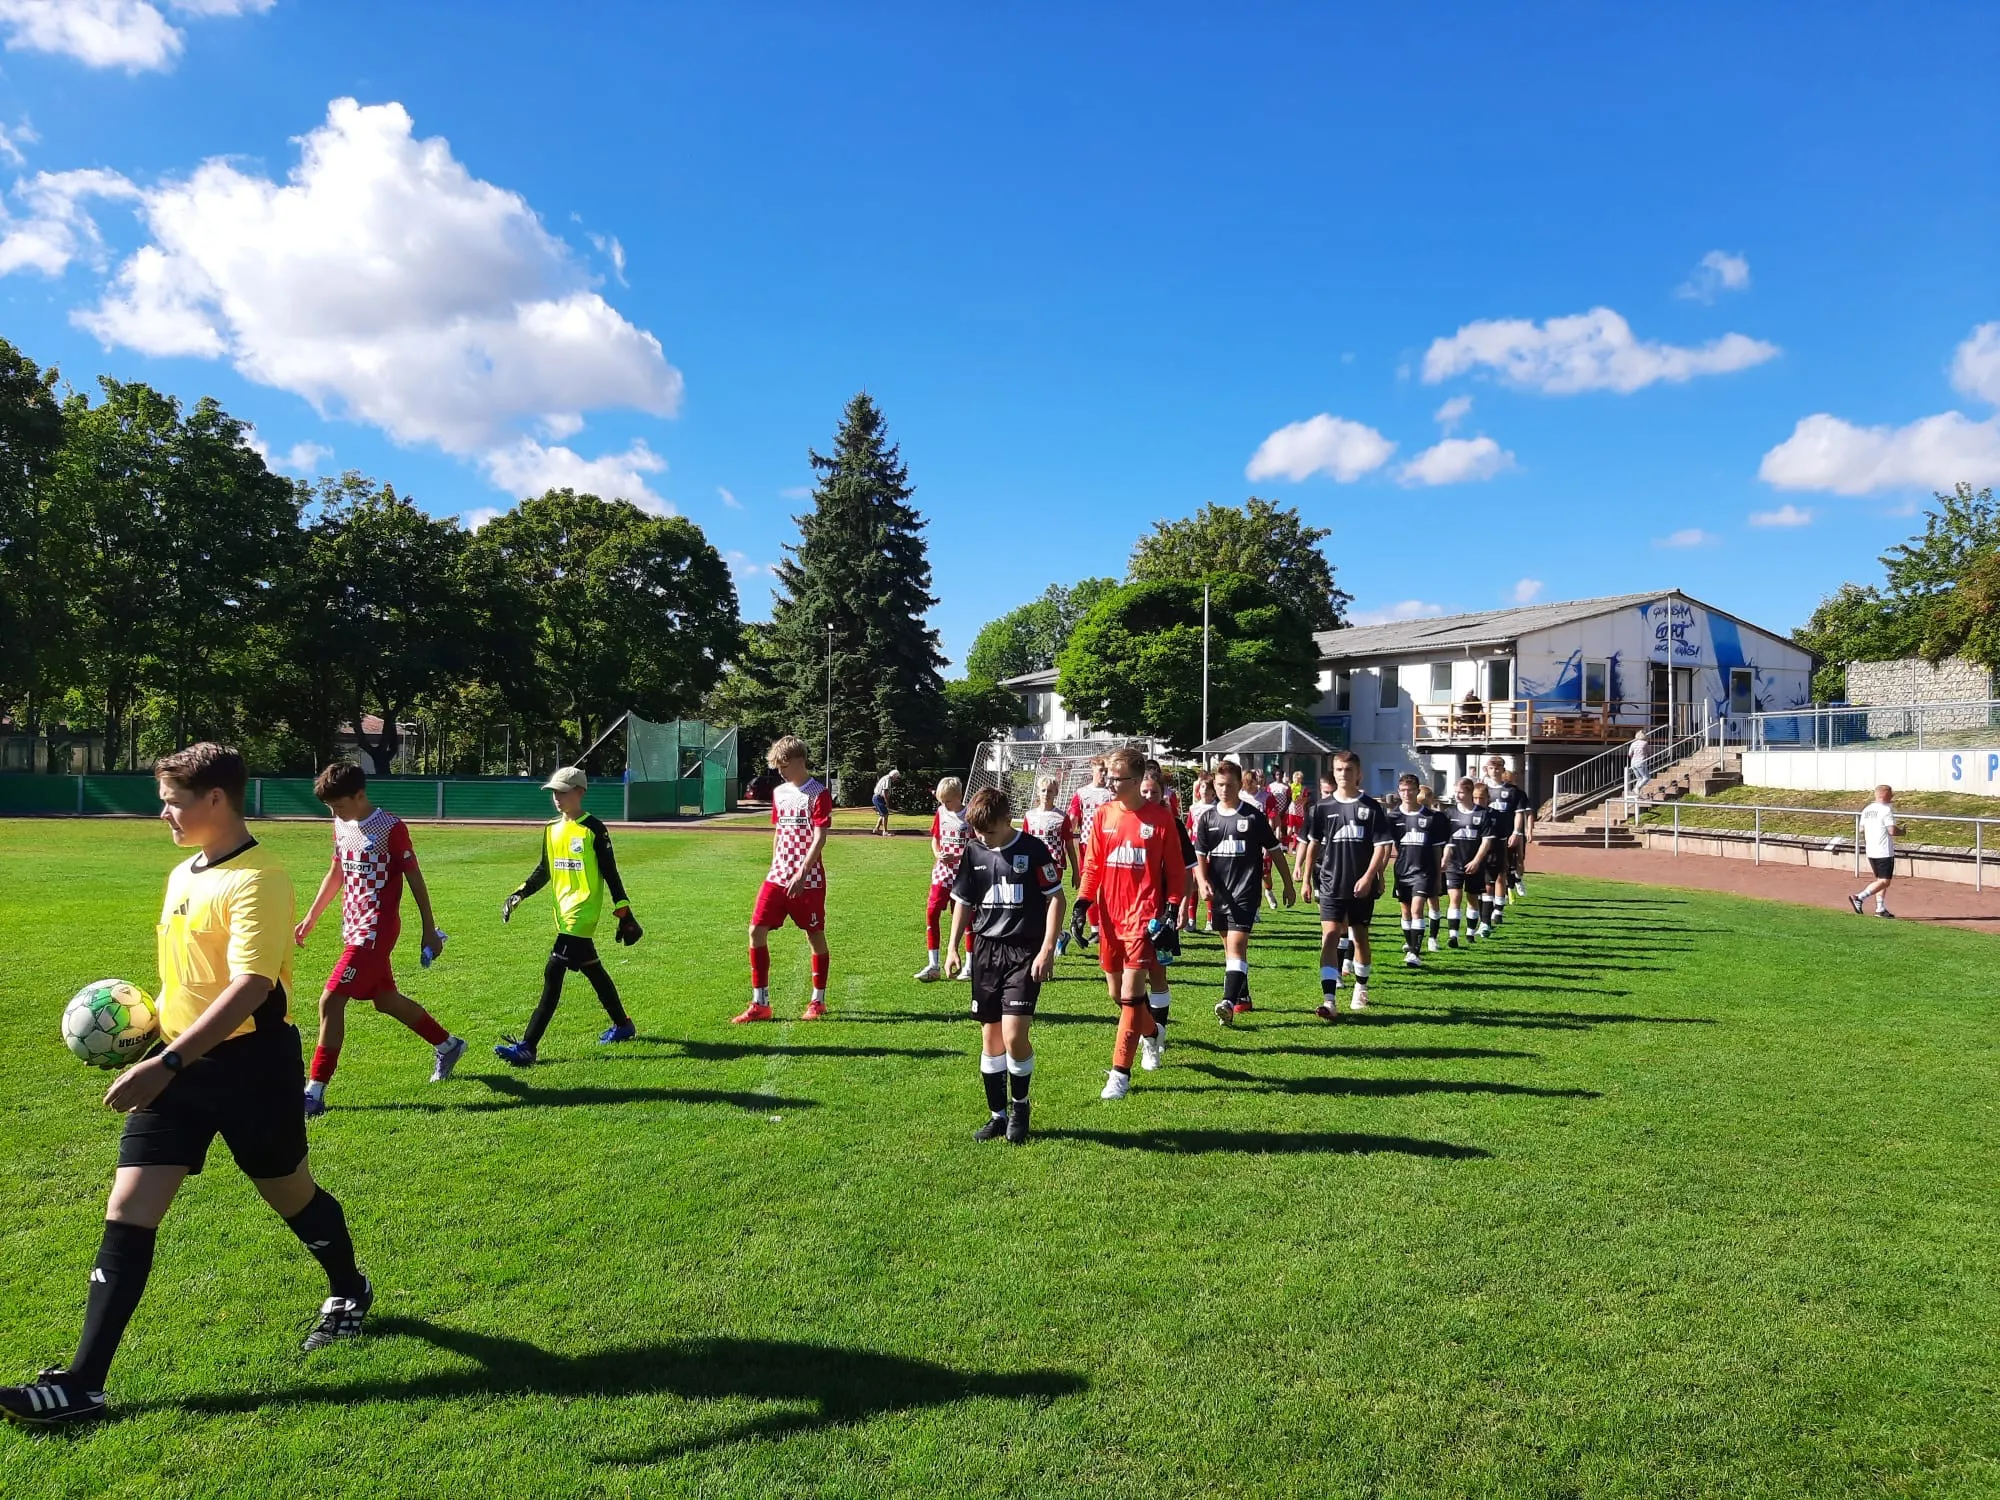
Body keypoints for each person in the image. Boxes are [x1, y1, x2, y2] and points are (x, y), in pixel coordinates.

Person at [2, 745, 373, 1428]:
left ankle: (349, 1288)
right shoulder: (184, 873)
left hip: (252, 1067)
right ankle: (83, 1383)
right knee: (129, 1206)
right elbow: (189, 981)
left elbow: (250, 988)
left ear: (216, 799)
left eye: (173, 798)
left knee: (290, 1192)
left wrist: (165, 1065)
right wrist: (156, 1043)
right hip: (178, 1064)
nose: (163, 810)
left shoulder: (260, 878)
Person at [294, 762, 465, 1116]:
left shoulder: (391, 827)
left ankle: (315, 1091)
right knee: (385, 1000)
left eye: (339, 805)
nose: (335, 813)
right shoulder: (341, 823)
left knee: (330, 1001)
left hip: (375, 929)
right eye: (331, 808)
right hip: (353, 925)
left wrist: (429, 928)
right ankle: (448, 1045)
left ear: (360, 795)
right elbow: (336, 871)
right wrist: (311, 916)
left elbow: (415, 878)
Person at [494, 768, 643, 1065]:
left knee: (553, 973)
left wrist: (623, 909)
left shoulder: (594, 829)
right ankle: (623, 1025)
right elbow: (544, 870)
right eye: (554, 792)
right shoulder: (551, 829)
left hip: (582, 913)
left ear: (580, 792)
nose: (557, 798)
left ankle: (528, 1046)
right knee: (593, 970)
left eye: (562, 791)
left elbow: (610, 873)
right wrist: (519, 893)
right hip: (562, 914)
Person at [943, 786, 1065, 1144]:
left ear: (1006, 819)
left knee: (1014, 1036)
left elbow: (1055, 898)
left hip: (1024, 953)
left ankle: (1020, 1106)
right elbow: (964, 901)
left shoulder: (1032, 849)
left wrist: (1047, 950)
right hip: (985, 952)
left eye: (989, 831)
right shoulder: (975, 850)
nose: (983, 837)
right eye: (977, 832)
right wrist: (952, 947)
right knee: (990, 1038)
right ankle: (997, 1115)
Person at [1077, 745, 1186, 1099]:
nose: (1109, 783)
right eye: (1107, 775)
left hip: (1143, 917)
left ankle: (1120, 1075)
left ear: (1137, 780)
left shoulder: (1161, 817)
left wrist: (1171, 907)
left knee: (1129, 995)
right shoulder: (1104, 815)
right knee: (1118, 994)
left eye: (1117, 778)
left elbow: (1174, 869)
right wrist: (1082, 902)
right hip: (1109, 918)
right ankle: (1152, 1033)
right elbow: (1092, 866)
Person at [735, 736, 833, 1022]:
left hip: (808, 880)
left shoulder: (818, 793)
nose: (780, 771)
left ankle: (818, 1000)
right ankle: (760, 1004)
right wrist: (775, 864)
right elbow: (779, 831)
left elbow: (820, 836)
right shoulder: (779, 793)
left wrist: (802, 872)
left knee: (814, 935)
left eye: (784, 766)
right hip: (777, 876)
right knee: (755, 931)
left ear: (800, 761)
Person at [1196, 757, 1297, 1026]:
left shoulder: (1253, 816)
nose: (1223, 790)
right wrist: (1202, 882)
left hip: (1246, 892)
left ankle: (1227, 1002)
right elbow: (1200, 856)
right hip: (1220, 894)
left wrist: (1287, 884)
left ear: (1240, 785)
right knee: (1229, 948)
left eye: (1229, 785)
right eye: (1219, 785)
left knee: (1237, 947)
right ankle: (1243, 996)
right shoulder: (1208, 818)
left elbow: (1275, 851)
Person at [1300, 751, 1393, 1018]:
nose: (1343, 774)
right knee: (1329, 936)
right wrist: (1307, 879)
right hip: (1330, 883)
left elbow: (1380, 848)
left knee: (1360, 938)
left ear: (1358, 774)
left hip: (1360, 886)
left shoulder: (1371, 808)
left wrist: (1368, 877)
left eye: (1348, 770)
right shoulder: (1322, 808)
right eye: (1339, 770)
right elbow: (1313, 845)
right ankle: (1329, 1000)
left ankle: (1361, 988)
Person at [1139, 763, 1197, 1051]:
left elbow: (1187, 869)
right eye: (1145, 791)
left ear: (1163, 794)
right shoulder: (1129, 819)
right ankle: (1146, 1024)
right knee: (1131, 977)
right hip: (1133, 907)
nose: (1149, 796)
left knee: (1157, 972)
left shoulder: (1173, 824)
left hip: (1163, 908)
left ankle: (1157, 1033)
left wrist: (1183, 905)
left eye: (1154, 791)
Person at [1387, 773, 1451, 968]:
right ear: (1399, 792)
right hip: (1402, 871)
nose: (1407, 793)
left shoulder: (1433, 817)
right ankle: (1410, 942)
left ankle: (1415, 952)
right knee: (1405, 911)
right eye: (1403, 790)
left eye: (1411, 790)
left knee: (1417, 910)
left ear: (1417, 791)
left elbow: (1437, 847)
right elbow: (1385, 847)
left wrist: (1439, 874)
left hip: (1425, 871)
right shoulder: (1392, 818)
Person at [916, 776, 972, 982]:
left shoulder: (970, 815)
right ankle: (933, 963)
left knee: (966, 918)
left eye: (948, 801)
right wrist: (938, 853)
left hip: (964, 873)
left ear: (958, 796)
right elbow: (936, 838)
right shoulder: (940, 812)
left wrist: (957, 856)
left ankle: (969, 965)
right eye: (941, 801)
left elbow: (976, 846)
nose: (944, 805)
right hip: (942, 871)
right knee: (931, 912)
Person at [1020, 773, 1078, 952]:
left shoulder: (1061, 817)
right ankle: (1060, 935)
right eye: (1043, 790)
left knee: (1049, 903)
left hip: (1053, 866)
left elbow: (1069, 844)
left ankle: (1048, 943)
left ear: (1056, 793)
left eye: (1050, 791)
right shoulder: (1030, 816)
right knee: (1035, 904)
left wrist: (1076, 871)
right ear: (1038, 792)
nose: (1046, 794)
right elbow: (1024, 841)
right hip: (1033, 865)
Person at [1066, 756, 1116, 951]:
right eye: (1101, 770)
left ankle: (1106, 928)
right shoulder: (1082, 793)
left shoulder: (1112, 793)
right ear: (1093, 770)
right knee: (1089, 888)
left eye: (1106, 771)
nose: (1104, 774)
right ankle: (1095, 928)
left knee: (1107, 889)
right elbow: (1073, 817)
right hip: (1087, 845)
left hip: (1109, 844)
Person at [1442, 777, 1497, 947]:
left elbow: (1486, 842)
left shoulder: (1482, 814)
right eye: (1456, 791)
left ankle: (1470, 933)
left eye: (1461, 792)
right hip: (1454, 863)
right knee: (1455, 897)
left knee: (1472, 899)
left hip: (1474, 863)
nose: (1457, 795)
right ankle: (1453, 936)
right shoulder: (1449, 814)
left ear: (1469, 793)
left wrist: (1476, 861)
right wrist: (1445, 858)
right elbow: (1446, 840)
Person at [1482, 755, 1535, 916]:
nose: (1495, 771)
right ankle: (1495, 902)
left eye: (1498, 768)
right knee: (1491, 870)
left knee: (1516, 861)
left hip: (1507, 834)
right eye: (1491, 768)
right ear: (1487, 770)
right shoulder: (1482, 790)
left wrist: (1518, 832)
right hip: (1488, 836)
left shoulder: (1513, 792)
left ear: (1503, 770)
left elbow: (1520, 814)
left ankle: (1517, 880)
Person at [1850, 784, 1901, 917]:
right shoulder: (1886, 810)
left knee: (1880, 880)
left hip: (1871, 850)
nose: (1893, 796)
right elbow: (1892, 830)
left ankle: (1880, 908)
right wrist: (1903, 832)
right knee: (1885, 881)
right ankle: (1859, 897)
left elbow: (1861, 829)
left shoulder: (1867, 809)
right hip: (1883, 850)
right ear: (1885, 794)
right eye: (1891, 793)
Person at [1185, 772, 1217, 931]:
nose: (1204, 790)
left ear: (1213, 792)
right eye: (1202, 786)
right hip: (1195, 850)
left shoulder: (1217, 808)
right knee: (1192, 885)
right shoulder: (1193, 807)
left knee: (1209, 884)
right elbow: (1189, 828)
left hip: (1210, 851)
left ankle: (1211, 920)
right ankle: (1191, 920)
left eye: (1208, 787)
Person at [1470, 781, 1500, 936]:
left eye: (1481, 798)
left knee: (1488, 887)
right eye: (1475, 798)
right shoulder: (1470, 814)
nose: (1478, 802)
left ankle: (1485, 923)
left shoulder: (1495, 816)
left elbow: (1500, 839)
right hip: (1472, 857)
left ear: (1488, 798)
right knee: (1476, 891)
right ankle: (1481, 920)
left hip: (1490, 856)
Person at [870, 768, 901, 837]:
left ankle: (876, 829)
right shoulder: (887, 779)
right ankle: (885, 831)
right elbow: (885, 792)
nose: (896, 780)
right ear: (894, 776)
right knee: (885, 814)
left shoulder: (886, 778)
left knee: (883, 814)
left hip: (877, 798)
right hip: (878, 798)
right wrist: (887, 802)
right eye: (897, 778)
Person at [1626, 728, 1650, 799]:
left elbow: (1630, 754)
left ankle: (1636, 791)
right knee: (1646, 778)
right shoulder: (1645, 743)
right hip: (1641, 762)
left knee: (1639, 778)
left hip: (1633, 763)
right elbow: (1649, 753)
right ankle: (1637, 788)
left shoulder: (1633, 743)